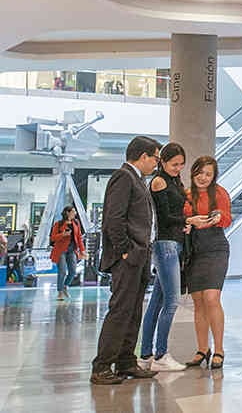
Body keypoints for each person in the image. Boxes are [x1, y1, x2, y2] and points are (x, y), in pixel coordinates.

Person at [91, 136, 162, 385]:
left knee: (133, 312)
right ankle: (101, 366)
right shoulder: (124, 177)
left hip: (141, 255)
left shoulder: (138, 180)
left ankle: (125, 361)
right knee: (121, 311)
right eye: (155, 158)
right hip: (129, 257)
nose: (156, 163)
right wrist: (125, 251)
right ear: (143, 156)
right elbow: (114, 218)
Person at [139, 143, 200, 372]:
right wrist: (187, 221)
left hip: (172, 244)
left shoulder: (173, 181)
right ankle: (161, 354)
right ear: (163, 162)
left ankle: (146, 354)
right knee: (171, 301)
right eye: (174, 164)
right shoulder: (159, 181)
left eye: (181, 165)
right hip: (165, 245)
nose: (178, 168)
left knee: (156, 303)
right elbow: (164, 217)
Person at [184, 156, 232, 369]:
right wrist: (188, 222)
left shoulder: (219, 192)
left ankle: (219, 349)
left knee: (212, 297)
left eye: (208, 174)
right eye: (199, 172)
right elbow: (180, 219)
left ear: (213, 177)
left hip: (216, 247)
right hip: (194, 250)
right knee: (198, 302)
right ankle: (202, 349)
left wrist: (217, 217)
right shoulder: (186, 195)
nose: (203, 178)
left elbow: (227, 218)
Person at [50, 205, 84, 300]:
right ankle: (60, 291)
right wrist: (63, 234)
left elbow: (79, 238)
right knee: (62, 271)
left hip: (72, 250)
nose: (75, 213)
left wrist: (82, 250)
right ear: (68, 213)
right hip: (61, 250)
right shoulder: (59, 224)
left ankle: (65, 286)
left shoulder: (76, 223)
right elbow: (53, 237)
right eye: (73, 211)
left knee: (73, 271)